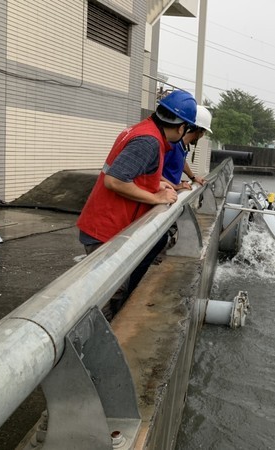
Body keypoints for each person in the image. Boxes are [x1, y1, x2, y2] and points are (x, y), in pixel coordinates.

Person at [77, 89, 198, 320]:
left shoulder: (144, 131)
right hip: (106, 229)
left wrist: (157, 185)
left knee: (113, 290)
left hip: (106, 225)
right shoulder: (149, 141)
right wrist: (156, 198)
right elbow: (115, 180)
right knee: (109, 295)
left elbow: (136, 172)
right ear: (182, 127)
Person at [162, 105, 213, 190]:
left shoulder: (180, 146)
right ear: (199, 131)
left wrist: (193, 177)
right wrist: (175, 186)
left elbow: (181, 161)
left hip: (168, 195)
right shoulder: (172, 145)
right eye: (203, 132)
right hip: (161, 197)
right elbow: (153, 173)